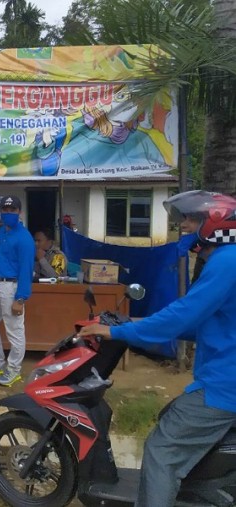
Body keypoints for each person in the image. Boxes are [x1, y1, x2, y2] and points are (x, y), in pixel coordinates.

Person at [77, 190, 236, 507]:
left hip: (224, 385)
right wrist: (134, 324)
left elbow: (181, 316)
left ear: (214, 224)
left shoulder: (226, 262)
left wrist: (117, 330)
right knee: (170, 416)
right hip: (224, 376)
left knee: (162, 449)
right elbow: (202, 323)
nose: (185, 226)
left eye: (191, 219)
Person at [0, 196, 35, 387]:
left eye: (12, 210)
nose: (8, 213)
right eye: (5, 210)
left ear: (19, 212)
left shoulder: (25, 238)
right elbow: (1, 258)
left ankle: (14, 370)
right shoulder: (2, 231)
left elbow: (26, 269)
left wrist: (21, 298)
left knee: (15, 331)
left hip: (13, 287)